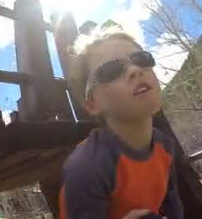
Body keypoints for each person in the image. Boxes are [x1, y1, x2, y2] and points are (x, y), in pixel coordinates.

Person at [57, 29, 184, 219]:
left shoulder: (164, 145)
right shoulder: (87, 167)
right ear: (92, 104)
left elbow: (172, 204)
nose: (135, 70)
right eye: (111, 71)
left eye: (141, 59)